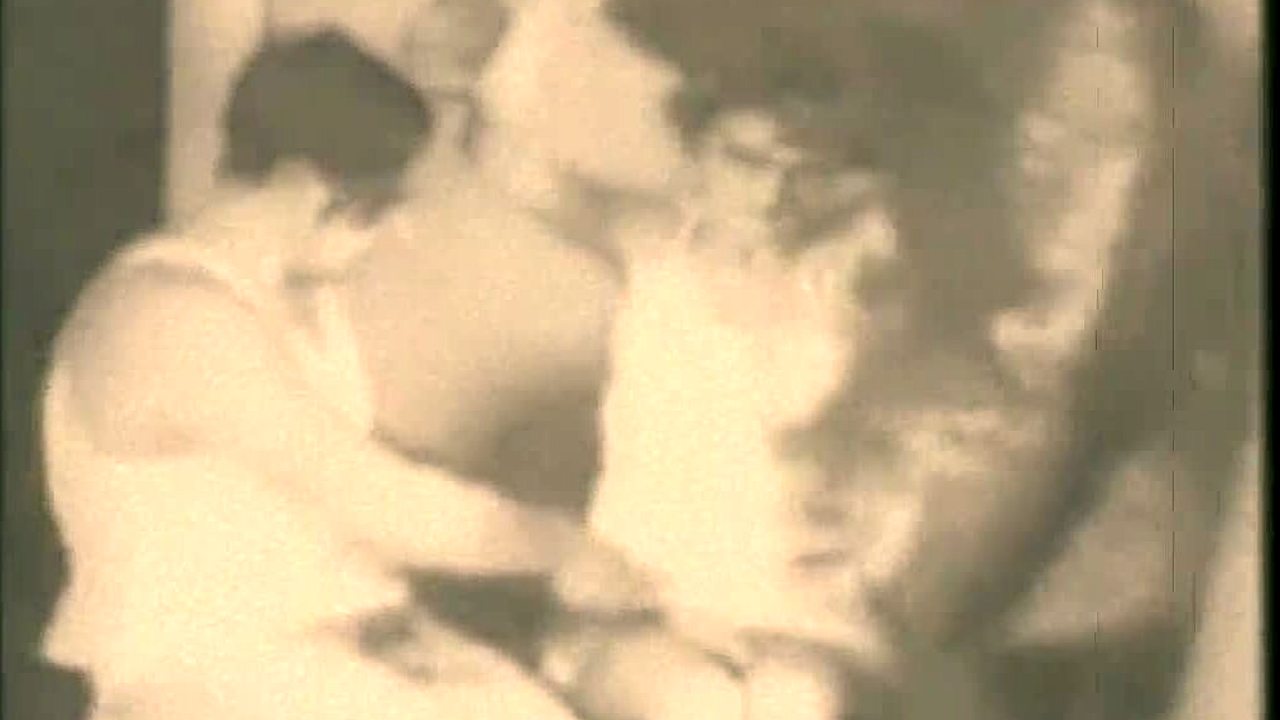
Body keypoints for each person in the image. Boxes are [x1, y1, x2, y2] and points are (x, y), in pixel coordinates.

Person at [40, 29, 646, 720]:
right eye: (380, 211)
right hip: (197, 675)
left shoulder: (300, 300)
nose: (398, 236)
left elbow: (328, 518)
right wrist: (562, 548)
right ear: (306, 186)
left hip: (319, 654)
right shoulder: (169, 316)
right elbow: (384, 502)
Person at [532, 65, 929, 720]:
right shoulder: (650, 248)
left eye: (803, 171)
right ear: (696, 155)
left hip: (795, 618)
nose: (773, 192)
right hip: (642, 596)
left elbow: (899, 471)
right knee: (697, 704)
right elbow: (519, 170)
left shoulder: (859, 295)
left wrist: (870, 531)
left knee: (795, 701)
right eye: (745, 161)